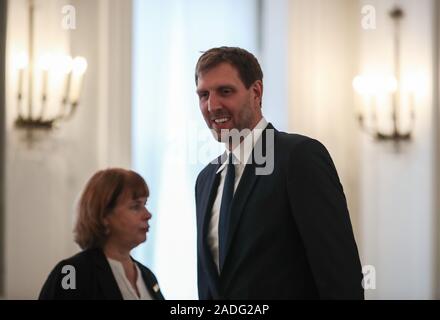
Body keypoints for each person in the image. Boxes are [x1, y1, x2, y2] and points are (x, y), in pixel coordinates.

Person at [194, 46, 364, 299]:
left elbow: (339, 274)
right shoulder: (206, 179)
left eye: (225, 91)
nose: (212, 105)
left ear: (256, 92)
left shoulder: (299, 157)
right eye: (203, 94)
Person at [39, 168, 164, 300]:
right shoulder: (72, 273)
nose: (148, 215)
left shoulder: (147, 276)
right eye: (135, 206)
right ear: (104, 215)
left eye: (145, 204)